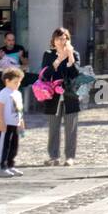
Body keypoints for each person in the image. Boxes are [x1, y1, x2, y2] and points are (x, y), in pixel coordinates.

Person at [39, 28, 81, 167]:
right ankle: (53, 156)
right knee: (53, 128)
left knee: (71, 128)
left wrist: (70, 58)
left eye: (64, 38)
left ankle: (70, 157)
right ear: (54, 41)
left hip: (70, 95)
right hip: (53, 95)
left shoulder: (74, 54)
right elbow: (45, 74)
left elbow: (75, 75)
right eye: (58, 39)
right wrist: (58, 60)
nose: (61, 41)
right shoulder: (48, 54)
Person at [0, 67, 26, 178]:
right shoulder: (3, 93)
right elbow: (0, 107)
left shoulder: (18, 93)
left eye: (19, 82)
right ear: (7, 81)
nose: (18, 84)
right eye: (15, 82)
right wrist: (1, 121)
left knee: (14, 145)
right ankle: (1, 167)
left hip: (15, 123)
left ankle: (10, 164)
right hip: (6, 123)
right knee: (4, 145)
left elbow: (19, 109)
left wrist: (21, 121)